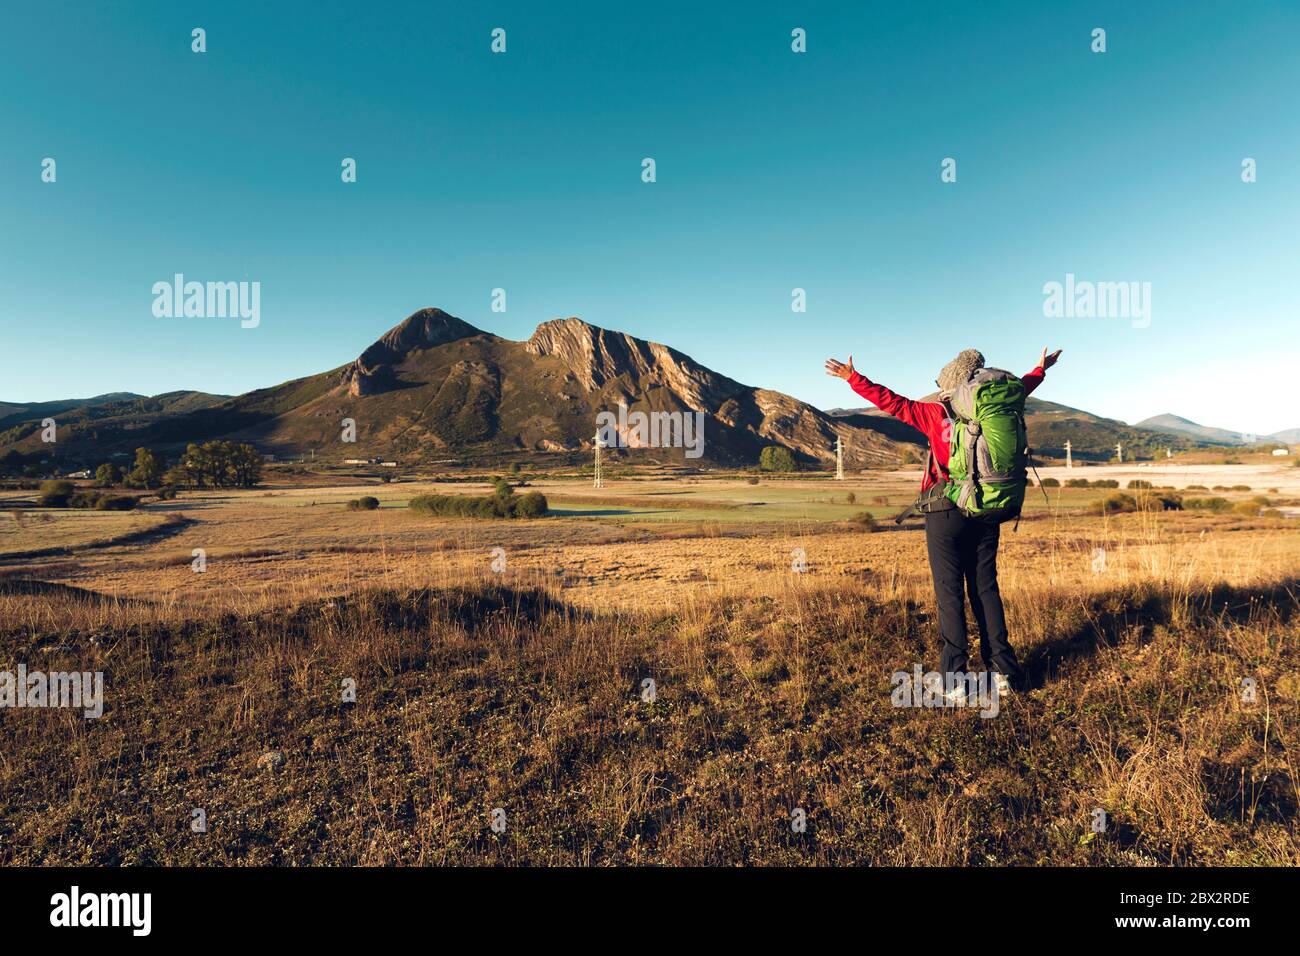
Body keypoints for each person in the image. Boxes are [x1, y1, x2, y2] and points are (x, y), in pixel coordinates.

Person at [824, 347, 1062, 695]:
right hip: (985, 505)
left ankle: (956, 680)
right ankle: (1004, 674)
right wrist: (1040, 369)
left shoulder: (932, 413)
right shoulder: (992, 407)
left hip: (944, 511)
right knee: (985, 589)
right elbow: (1022, 387)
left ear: (947, 385)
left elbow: (891, 402)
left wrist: (852, 378)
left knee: (949, 593)